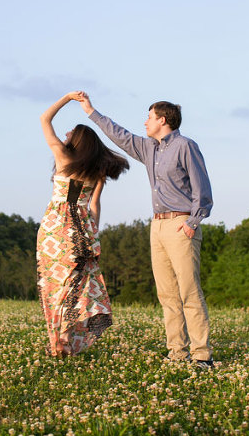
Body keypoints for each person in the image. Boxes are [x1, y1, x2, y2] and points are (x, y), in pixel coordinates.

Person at [77, 92, 215, 368]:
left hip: (180, 224)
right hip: (157, 225)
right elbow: (119, 134)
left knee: (189, 291)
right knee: (166, 293)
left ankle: (202, 354)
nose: (145, 122)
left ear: (162, 120)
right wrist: (90, 110)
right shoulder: (147, 148)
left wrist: (192, 223)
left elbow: (203, 189)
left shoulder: (186, 146)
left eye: (149, 117)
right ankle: (177, 352)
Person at [37, 91, 129, 358]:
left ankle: (59, 339)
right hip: (82, 229)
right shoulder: (98, 171)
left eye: (69, 134)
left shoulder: (62, 157)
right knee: (76, 284)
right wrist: (94, 233)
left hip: (55, 227)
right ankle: (64, 337)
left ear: (77, 141)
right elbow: (94, 206)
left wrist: (67, 98)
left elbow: (44, 118)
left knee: (54, 283)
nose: (65, 136)